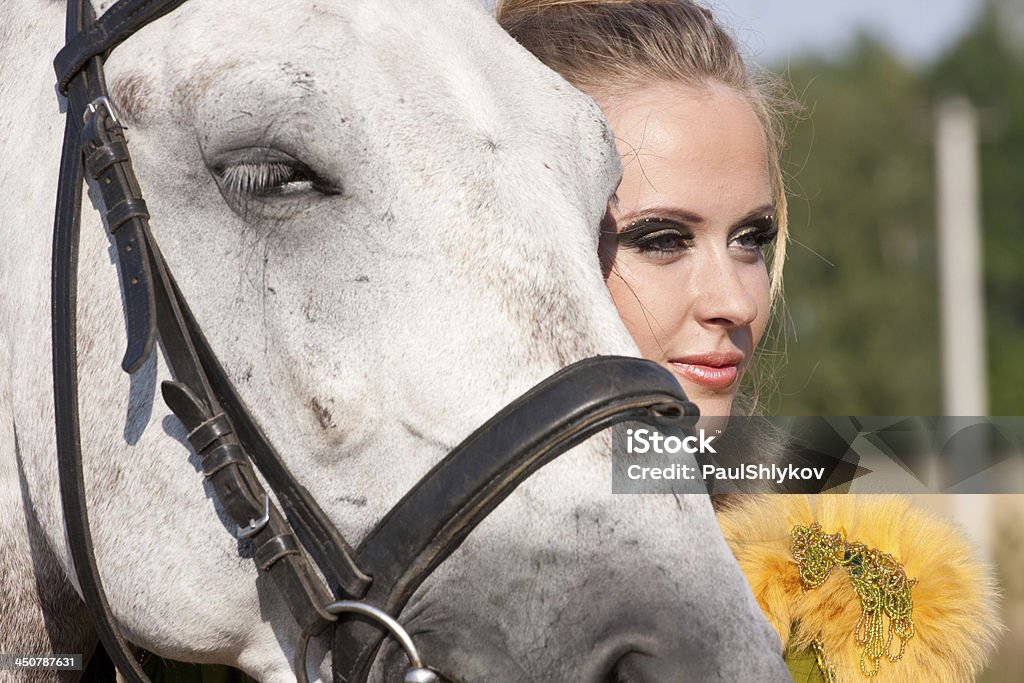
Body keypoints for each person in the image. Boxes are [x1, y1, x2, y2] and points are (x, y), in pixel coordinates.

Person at [497, 1, 1001, 681]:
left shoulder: (847, 612)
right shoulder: (337, 601)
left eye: (750, 239)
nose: (736, 301)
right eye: (663, 240)